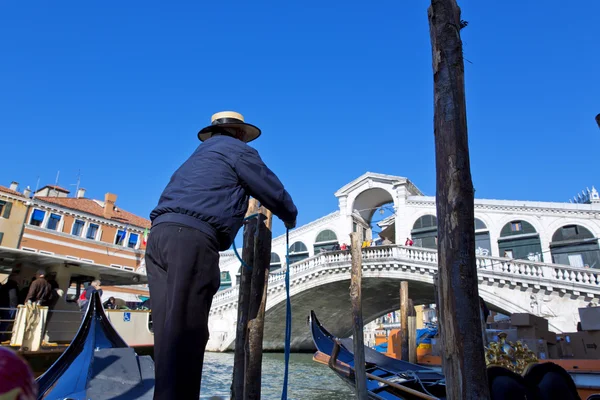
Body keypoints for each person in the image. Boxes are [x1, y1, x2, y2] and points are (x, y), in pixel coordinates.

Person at [146, 111, 298, 400]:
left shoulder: (194, 159)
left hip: (158, 239)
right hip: (190, 240)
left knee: (168, 334)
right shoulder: (238, 151)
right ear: (239, 133)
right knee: (188, 332)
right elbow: (272, 190)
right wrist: (289, 215)